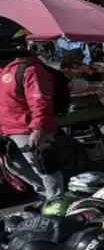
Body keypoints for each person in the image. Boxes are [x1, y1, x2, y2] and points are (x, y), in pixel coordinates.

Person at [0, 29, 64, 199]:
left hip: (29, 129)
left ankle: (57, 200)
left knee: (44, 166)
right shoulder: (4, 69)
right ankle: (46, 196)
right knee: (14, 166)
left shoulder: (30, 70)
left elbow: (41, 102)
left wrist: (38, 129)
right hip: (8, 129)